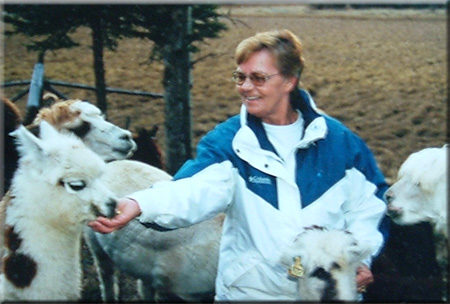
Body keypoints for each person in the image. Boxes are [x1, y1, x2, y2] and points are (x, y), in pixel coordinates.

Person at [89, 29, 388, 301]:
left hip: (328, 295)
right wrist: (139, 203)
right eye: (239, 77)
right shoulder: (230, 142)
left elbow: (368, 207)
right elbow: (193, 189)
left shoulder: (340, 143)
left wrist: (360, 258)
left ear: (289, 81)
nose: (245, 87)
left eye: (258, 78)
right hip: (250, 293)